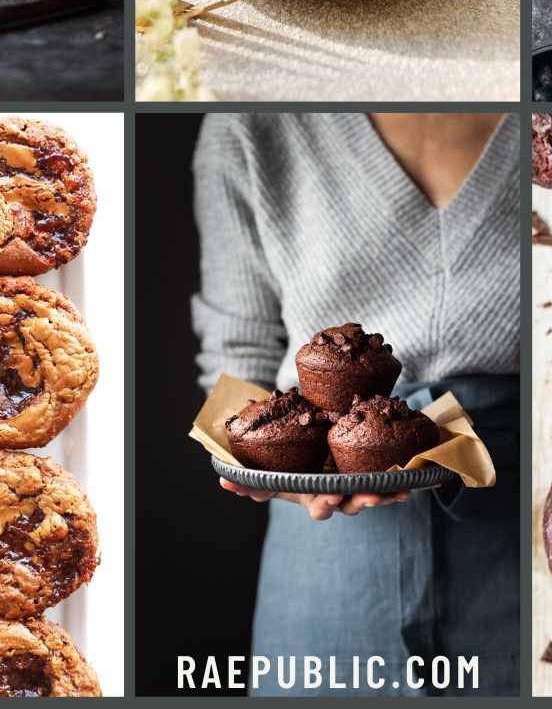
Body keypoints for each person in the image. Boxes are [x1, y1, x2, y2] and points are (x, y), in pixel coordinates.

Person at [192, 112, 520, 697]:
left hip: (521, 520)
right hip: (326, 560)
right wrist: (274, 465)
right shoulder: (250, 124)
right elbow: (238, 348)